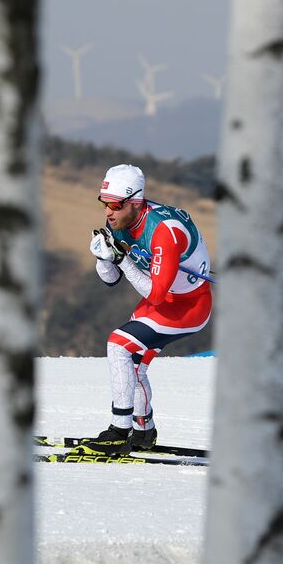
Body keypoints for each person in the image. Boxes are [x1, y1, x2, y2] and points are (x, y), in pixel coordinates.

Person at [85, 164, 212, 454]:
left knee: (118, 345)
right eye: (104, 204)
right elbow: (111, 280)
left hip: (188, 306)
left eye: (115, 205)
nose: (108, 212)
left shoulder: (163, 232)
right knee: (133, 365)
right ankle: (143, 432)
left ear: (135, 201)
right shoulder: (119, 222)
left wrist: (121, 260)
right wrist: (103, 258)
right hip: (164, 301)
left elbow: (155, 295)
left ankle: (119, 430)